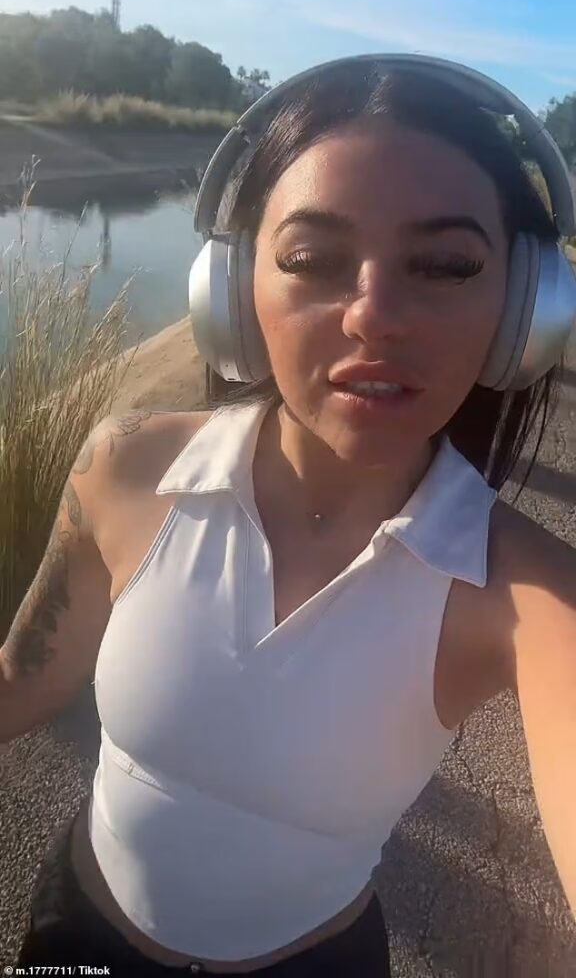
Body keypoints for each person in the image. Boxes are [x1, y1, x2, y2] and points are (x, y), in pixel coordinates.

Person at [3, 54, 576, 977]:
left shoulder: (527, 594)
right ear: (233, 291)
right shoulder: (125, 466)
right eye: (312, 260)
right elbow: (22, 681)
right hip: (74, 938)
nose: (374, 317)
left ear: (522, 311)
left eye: (444, 265)